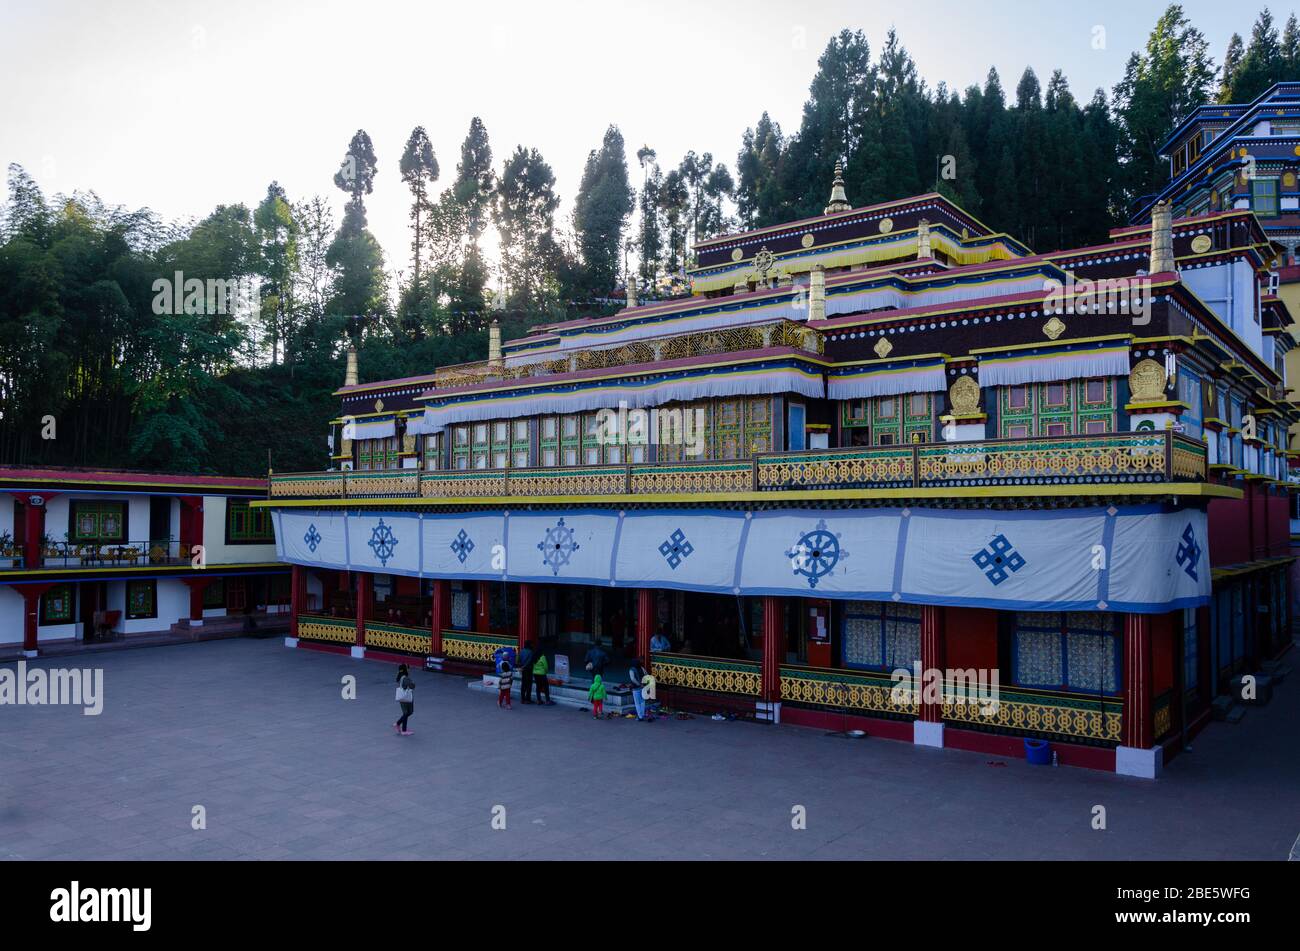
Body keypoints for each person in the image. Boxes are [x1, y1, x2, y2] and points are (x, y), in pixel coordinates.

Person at [394, 664, 415, 735]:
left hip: (401, 697)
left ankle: (398, 724)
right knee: (408, 712)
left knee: (406, 713)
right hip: (406, 697)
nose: (409, 670)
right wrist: (412, 683)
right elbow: (412, 686)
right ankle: (403, 730)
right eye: (408, 668)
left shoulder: (399, 676)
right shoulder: (405, 678)